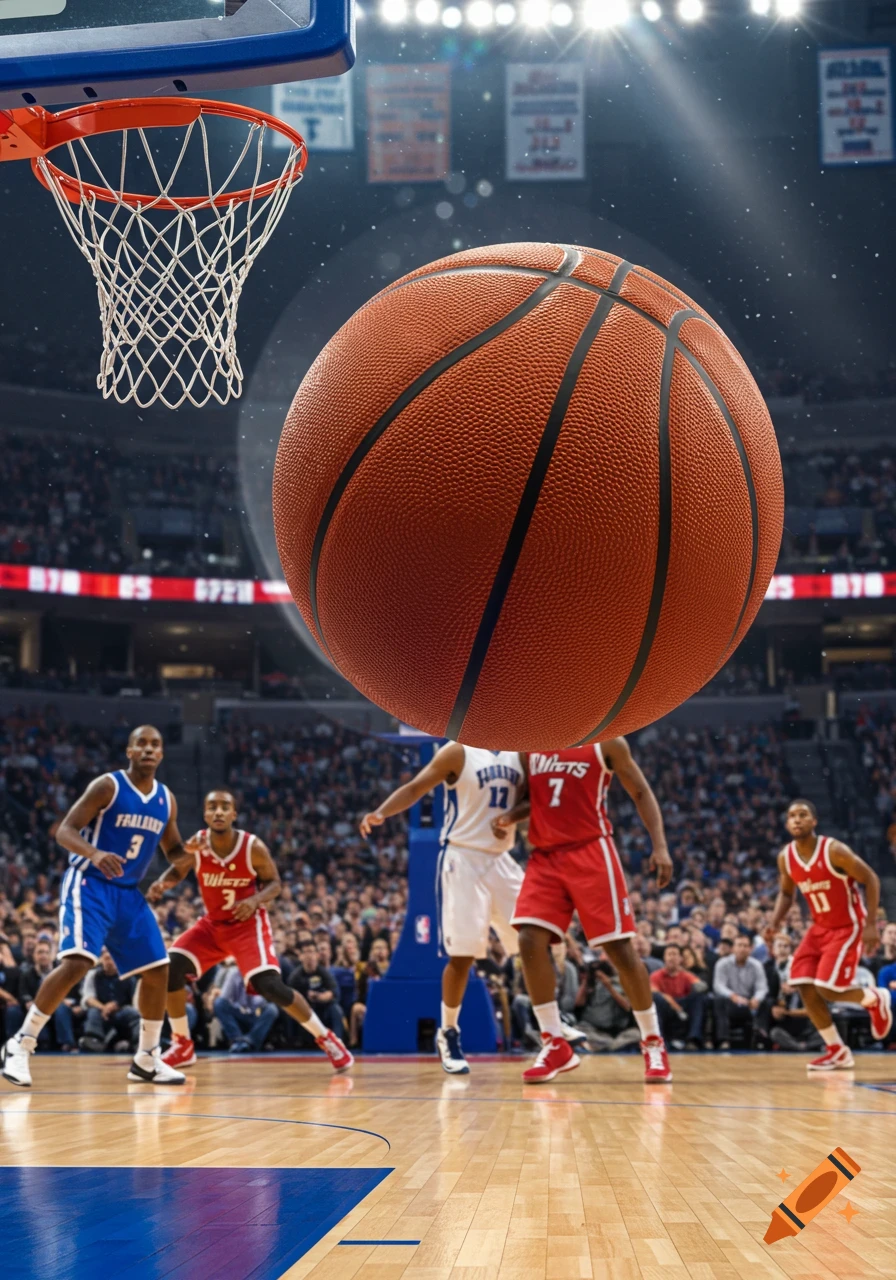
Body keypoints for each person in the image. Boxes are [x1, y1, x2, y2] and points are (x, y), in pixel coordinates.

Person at [1, 725, 191, 1088]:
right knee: (78, 962)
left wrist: (191, 854)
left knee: (157, 970)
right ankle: (20, 1044)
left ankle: (147, 1059)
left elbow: (176, 853)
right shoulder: (109, 785)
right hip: (89, 883)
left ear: (162, 754)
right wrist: (95, 852)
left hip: (128, 892)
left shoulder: (167, 799)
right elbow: (65, 831)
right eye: (142, 744)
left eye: (155, 745)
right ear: (130, 751)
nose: (149, 750)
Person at [496, 737, 674, 1084]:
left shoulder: (606, 742)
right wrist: (508, 817)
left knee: (619, 950)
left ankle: (652, 1041)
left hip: (591, 851)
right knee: (529, 941)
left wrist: (660, 846)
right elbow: (533, 803)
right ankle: (554, 1042)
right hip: (545, 856)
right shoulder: (527, 745)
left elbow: (641, 791)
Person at [153, 790, 352, 1073]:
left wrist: (254, 900)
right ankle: (182, 1043)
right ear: (206, 814)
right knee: (171, 966)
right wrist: (162, 884)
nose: (219, 812)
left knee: (270, 986)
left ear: (234, 814)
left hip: (247, 925)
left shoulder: (252, 847)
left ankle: (327, 1038)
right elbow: (178, 869)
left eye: (225, 807)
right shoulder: (198, 844)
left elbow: (275, 883)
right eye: (213, 807)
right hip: (212, 925)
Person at [360, 740, 524, 1075]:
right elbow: (417, 786)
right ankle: (448, 1032)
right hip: (463, 856)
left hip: (502, 858)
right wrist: (382, 812)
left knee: (532, 942)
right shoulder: (457, 751)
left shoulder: (521, 750)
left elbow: (534, 799)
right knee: (462, 957)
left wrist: (511, 817)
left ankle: (551, 1028)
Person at [763, 798, 891, 1071]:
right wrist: (774, 923)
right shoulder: (786, 857)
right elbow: (787, 893)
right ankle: (837, 1050)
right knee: (803, 983)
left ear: (814, 821)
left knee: (828, 988)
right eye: (792, 816)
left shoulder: (834, 850)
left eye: (802, 814)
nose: (796, 819)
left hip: (847, 926)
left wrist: (870, 924)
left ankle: (873, 998)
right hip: (818, 927)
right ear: (787, 824)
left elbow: (871, 878)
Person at [16, 939, 77, 1052]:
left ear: (52, 955)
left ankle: (67, 1044)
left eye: (46, 952)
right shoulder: (27, 974)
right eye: (40, 952)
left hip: (58, 1006)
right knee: (36, 1009)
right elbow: (23, 994)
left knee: (61, 1008)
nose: (43, 955)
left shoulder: (62, 972)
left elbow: (71, 995)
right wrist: (28, 1001)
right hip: (37, 1006)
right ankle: (42, 1043)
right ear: (34, 955)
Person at [287, 937, 346, 1046]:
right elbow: (289, 999)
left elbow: (333, 992)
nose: (309, 956)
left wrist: (319, 996)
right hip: (304, 1012)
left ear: (317, 955)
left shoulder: (323, 972)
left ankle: (337, 1042)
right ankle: (292, 1042)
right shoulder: (295, 977)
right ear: (300, 956)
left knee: (335, 1009)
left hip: (322, 1009)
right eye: (306, 952)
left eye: (312, 952)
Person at [712, 935, 768, 1049]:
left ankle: (760, 1039)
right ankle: (724, 1040)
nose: (742, 949)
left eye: (746, 946)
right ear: (733, 948)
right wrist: (732, 995)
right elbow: (718, 986)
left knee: (767, 1002)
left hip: (749, 1003)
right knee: (718, 1000)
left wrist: (757, 998)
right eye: (739, 945)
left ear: (751, 949)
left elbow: (762, 987)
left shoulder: (757, 965)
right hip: (730, 1001)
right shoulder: (722, 963)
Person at [78, 949, 140, 1052]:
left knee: (133, 1013)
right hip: (100, 1010)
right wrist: (103, 1007)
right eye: (107, 959)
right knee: (93, 1011)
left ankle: (138, 1042)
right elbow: (88, 998)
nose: (110, 962)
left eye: (113, 959)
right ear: (101, 960)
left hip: (122, 1010)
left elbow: (133, 1000)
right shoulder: (93, 975)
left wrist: (116, 1005)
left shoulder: (128, 976)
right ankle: (94, 1040)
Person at [213, 961, 279, 1054]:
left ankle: (250, 1041)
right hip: (239, 1013)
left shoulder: (262, 977)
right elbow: (225, 999)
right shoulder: (234, 974)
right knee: (219, 1003)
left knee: (272, 1009)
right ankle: (237, 1040)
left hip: (255, 1015)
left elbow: (261, 1002)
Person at [650, 944, 706, 1051]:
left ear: (680, 959)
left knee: (699, 997)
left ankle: (693, 1039)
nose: (672, 957)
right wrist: (676, 1007)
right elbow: (656, 993)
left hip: (683, 1004)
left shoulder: (686, 975)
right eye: (669, 954)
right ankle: (660, 1040)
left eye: (675, 954)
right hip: (665, 1006)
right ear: (664, 958)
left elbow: (701, 985)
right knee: (656, 998)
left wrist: (698, 985)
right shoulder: (655, 976)